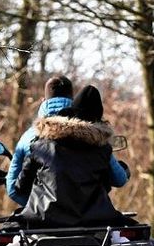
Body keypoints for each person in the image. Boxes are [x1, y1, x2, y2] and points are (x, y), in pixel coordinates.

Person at [12, 85, 130, 227]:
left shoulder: (40, 147)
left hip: (43, 221)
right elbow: (117, 179)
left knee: (3, 242)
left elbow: (19, 188)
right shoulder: (102, 149)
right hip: (96, 222)